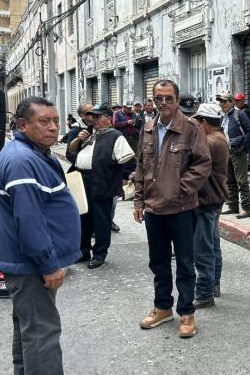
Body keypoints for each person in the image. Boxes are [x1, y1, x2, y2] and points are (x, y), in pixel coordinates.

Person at [0, 96, 81, 375]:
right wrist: (48, 264)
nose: (53, 127)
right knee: (43, 333)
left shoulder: (33, 152)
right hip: (31, 265)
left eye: (55, 121)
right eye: (44, 122)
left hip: (27, 263)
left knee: (29, 329)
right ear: (22, 124)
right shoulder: (22, 160)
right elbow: (29, 220)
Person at [133, 79, 211, 338]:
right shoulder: (147, 128)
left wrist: (179, 188)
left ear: (177, 100)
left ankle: (187, 311)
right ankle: (162, 306)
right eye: (158, 98)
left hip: (182, 209)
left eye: (168, 98)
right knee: (158, 262)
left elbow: (202, 165)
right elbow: (141, 167)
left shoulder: (191, 128)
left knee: (186, 264)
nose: (163, 103)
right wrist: (138, 200)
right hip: (154, 210)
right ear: (153, 101)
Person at [72, 103, 135, 269]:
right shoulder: (91, 134)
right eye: (93, 116)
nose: (94, 120)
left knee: (101, 221)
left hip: (102, 182)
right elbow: (71, 153)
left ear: (108, 118)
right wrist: (79, 140)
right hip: (83, 181)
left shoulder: (115, 136)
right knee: (83, 219)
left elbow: (128, 162)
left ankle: (99, 254)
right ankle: (83, 251)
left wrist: (121, 179)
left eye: (98, 116)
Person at [191, 103, 229, 308]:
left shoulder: (210, 141)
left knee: (203, 249)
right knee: (212, 244)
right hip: (214, 199)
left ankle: (205, 292)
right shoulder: (219, 138)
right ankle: (213, 285)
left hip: (207, 200)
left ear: (204, 122)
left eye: (198, 121)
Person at [217, 90, 250, 219]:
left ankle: (247, 209)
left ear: (231, 102)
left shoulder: (239, 114)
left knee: (241, 181)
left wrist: (243, 147)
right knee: (229, 180)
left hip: (237, 151)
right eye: (220, 101)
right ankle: (233, 206)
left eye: (224, 101)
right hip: (226, 151)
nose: (222, 104)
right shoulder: (222, 116)